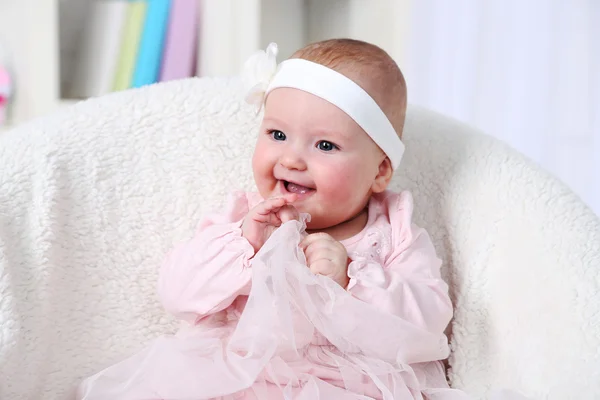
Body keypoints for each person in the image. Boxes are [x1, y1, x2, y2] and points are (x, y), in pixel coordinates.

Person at [77, 39, 511, 400]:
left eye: (324, 145)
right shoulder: (243, 220)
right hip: (237, 377)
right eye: (278, 135)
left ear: (380, 171)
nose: (291, 158)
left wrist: (352, 281)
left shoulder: (393, 233)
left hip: (350, 386)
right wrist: (243, 247)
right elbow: (178, 294)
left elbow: (428, 324)